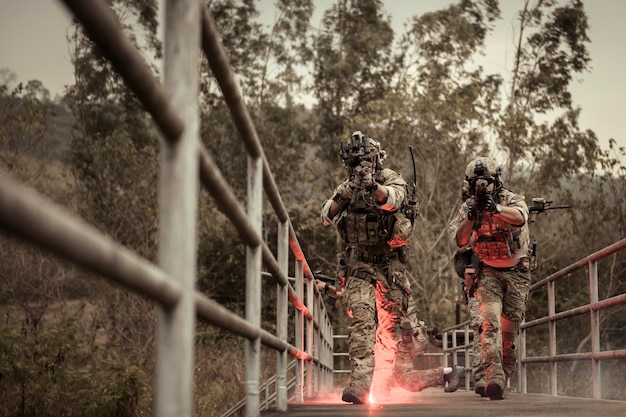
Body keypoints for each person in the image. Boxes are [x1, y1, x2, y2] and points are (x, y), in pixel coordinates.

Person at [320, 130, 462, 404]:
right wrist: (345, 193)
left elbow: (393, 199)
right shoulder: (345, 187)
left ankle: (392, 382)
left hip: (390, 270)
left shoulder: (390, 179)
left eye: (363, 161)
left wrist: (372, 186)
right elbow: (326, 215)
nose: (358, 167)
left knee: (389, 336)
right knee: (361, 320)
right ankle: (360, 385)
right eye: (354, 162)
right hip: (360, 265)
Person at [448, 156, 531, 400]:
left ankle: (503, 374)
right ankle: (493, 376)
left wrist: (496, 210)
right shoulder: (468, 208)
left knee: (509, 332)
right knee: (489, 323)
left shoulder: (510, 199)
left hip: (516, 272)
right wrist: (471, 217)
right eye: (477, 183)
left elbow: (520, 217)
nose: (483, 187)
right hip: (489, 272)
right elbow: (460, 241)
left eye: (487, 182)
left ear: (496, 181)